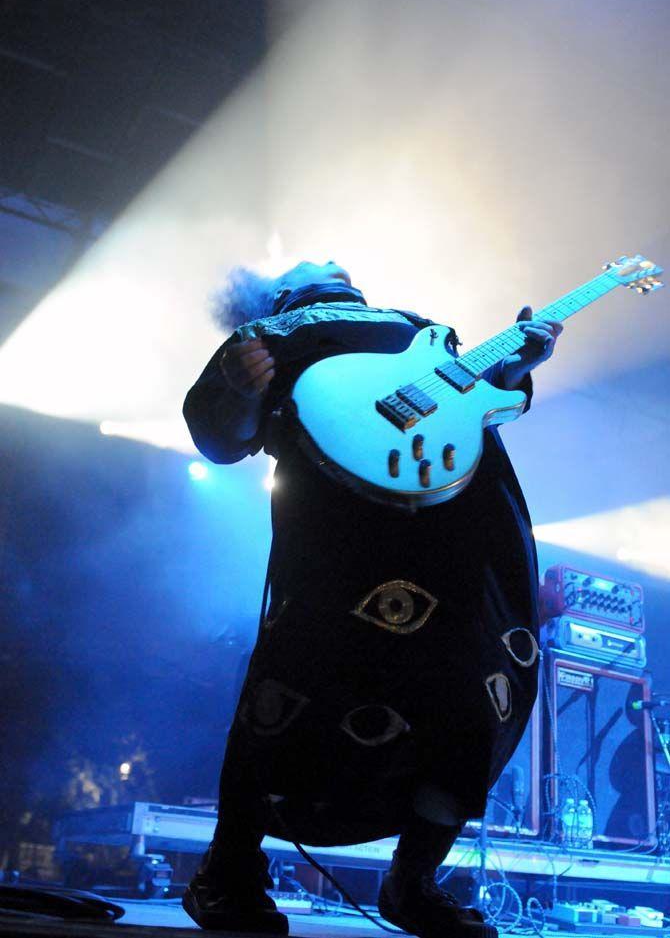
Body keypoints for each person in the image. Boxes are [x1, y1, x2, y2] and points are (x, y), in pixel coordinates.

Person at [181, 260, 562, 937]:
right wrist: (240, 392)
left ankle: (412, 881)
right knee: (294, 678)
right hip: (342, 526)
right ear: (283, 292)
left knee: (466, 694)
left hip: (453, 525)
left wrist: (516, 360)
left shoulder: (417, 328)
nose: (330, 258)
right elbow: (223, 436)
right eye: (312, 263)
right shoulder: (269, 330)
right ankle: (228, 870)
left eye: (338, 262)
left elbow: (481, 394)